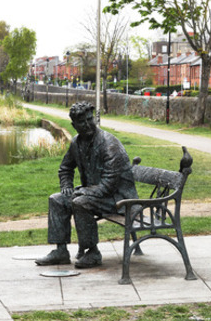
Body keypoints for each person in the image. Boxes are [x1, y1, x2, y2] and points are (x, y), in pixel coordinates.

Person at [35, 101, 138, 268]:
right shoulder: (77, 142)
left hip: (119, 200)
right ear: (74, 125)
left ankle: (92, 252)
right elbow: (65, 168)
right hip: (95, 194)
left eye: (90, 119)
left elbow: (109, 185)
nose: (88, 124)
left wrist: (83, 193)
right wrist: (67, 186)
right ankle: (60, 251)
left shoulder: (109, 144)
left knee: (80, 202)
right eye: (82, 122)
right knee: (57, 200)